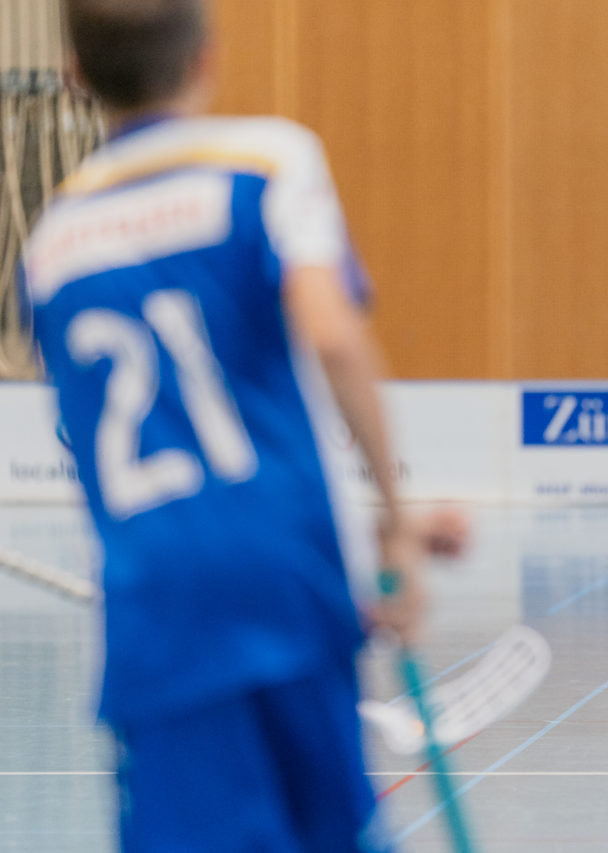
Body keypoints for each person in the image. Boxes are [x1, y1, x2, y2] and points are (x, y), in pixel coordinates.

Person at [19, 1, 457, 849]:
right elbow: (331, 336)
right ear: (206, 57)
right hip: (285, 575)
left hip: (154, 613)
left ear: (75, 76)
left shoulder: (50, 245)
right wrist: (395, 525)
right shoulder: (266, 161)